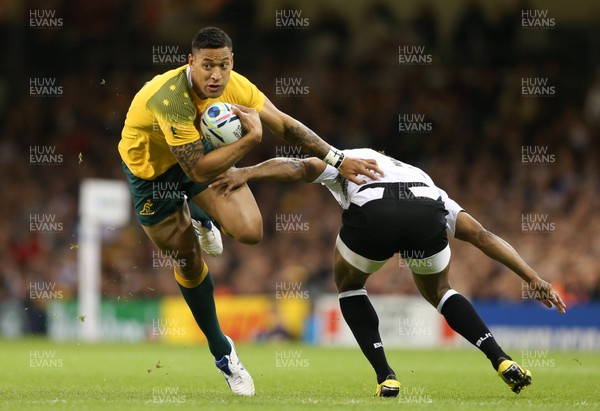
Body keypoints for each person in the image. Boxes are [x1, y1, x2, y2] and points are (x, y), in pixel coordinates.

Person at [117, 27, 381, 396]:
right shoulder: (171, 99)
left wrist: (337, 157)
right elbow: (197, 170)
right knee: (187, 259)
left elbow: (285, 124)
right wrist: (251, 140)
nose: (215, 75)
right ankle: (221, 351)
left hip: (201, 158)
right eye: (207, 65)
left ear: (231, 62)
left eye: (222, 65)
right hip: (153, 174)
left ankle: (200, 213)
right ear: (190, 62)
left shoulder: (234, 84)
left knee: (250, 230)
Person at [209, 148, 567, 397]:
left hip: (374, 212)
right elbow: (482, 235)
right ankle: (500, 358)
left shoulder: (347, 157)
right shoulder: (423, 178)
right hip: (425, 212)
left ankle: (386, 377)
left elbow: (300, 167)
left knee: (349, 284)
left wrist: (247, 172)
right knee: (440, 290)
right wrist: (532, 277)